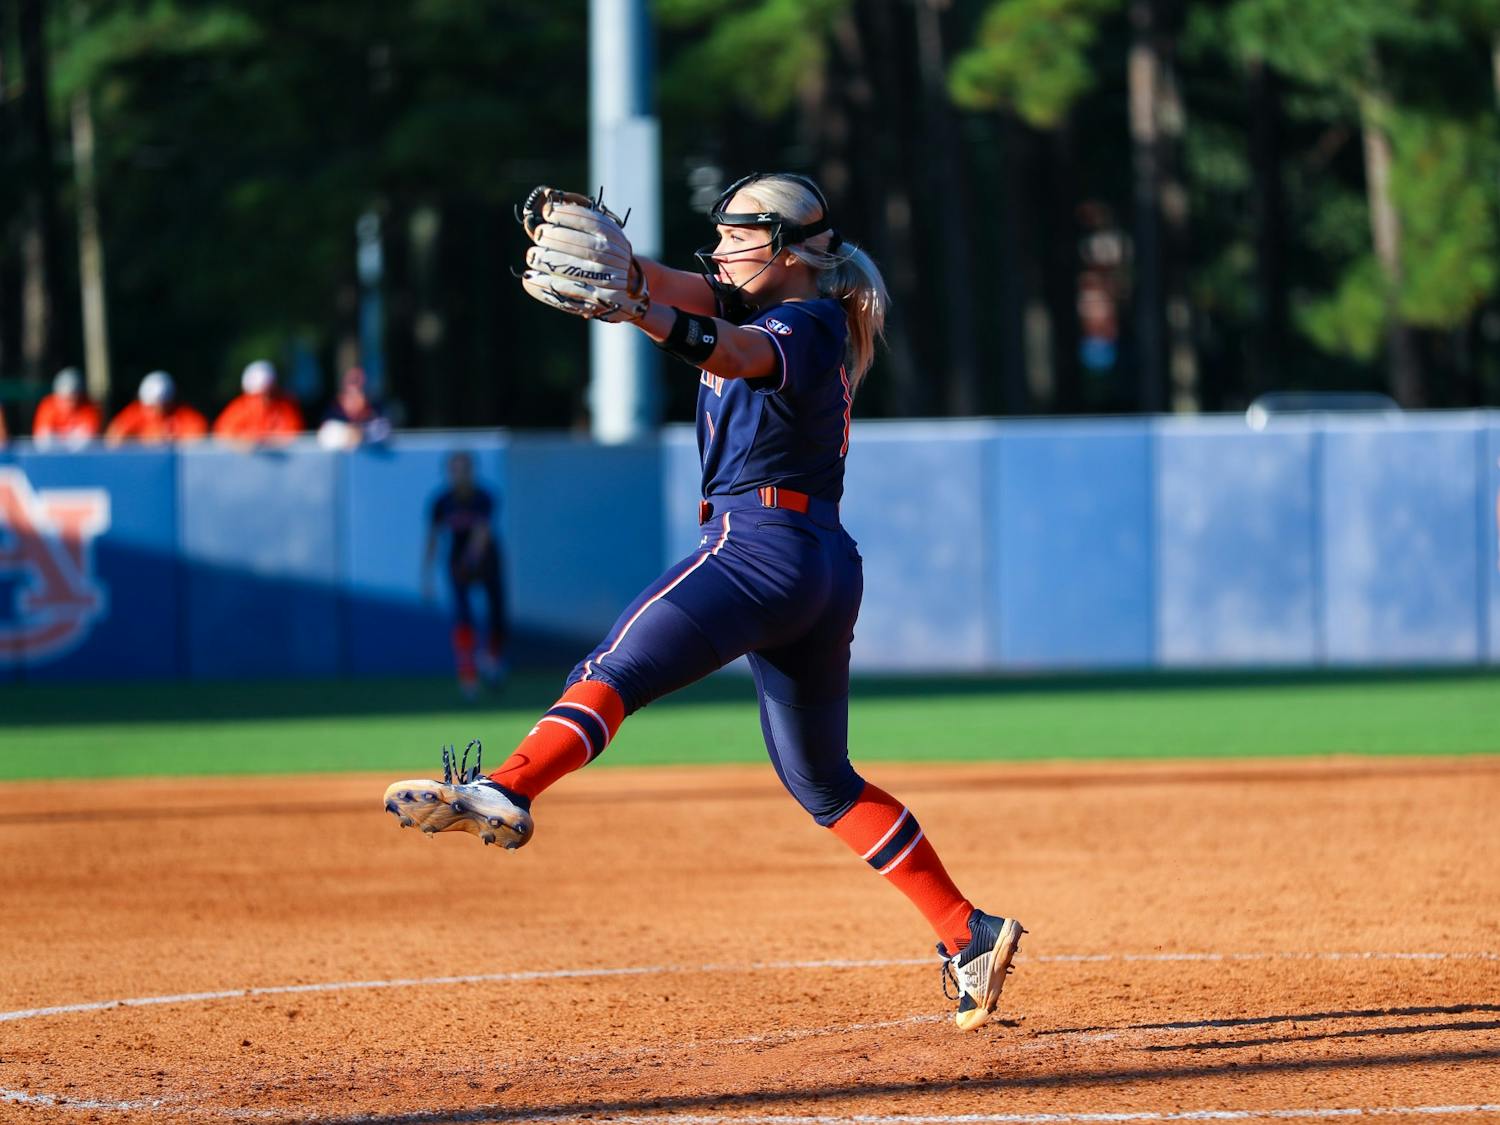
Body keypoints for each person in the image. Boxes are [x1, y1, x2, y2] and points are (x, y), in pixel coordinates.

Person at [384, 174, 1024, 1031]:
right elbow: (656, 283)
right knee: (823, 783)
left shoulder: (806, 319)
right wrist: (626, 282)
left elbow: (729, 352)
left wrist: (642, 313)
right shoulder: (763, 297)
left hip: (758, 546)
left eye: (737, 236)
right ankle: (967, 931)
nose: (719, 250)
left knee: (614, 668)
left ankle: (509, 785)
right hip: (818, 562)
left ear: (791, 252)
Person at [422, 451, 508, 698]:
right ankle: (468, 675)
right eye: (454, 469)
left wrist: (469, 562)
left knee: (497, 616)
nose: (459, 475)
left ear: (472, 471)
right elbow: (432, 538)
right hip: (457, 560)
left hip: (487, 559)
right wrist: (427, 578)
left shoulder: (484, 497)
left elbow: (482, 533)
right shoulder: (441, 501)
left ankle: (492, 660)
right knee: (463, 618)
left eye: (464, 469)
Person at [212, 360, 304, 444]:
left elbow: (293, 432)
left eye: (269, 392)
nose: (264, 398)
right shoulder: (239, 408)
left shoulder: (285, 407)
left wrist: (267, 441)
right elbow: (223, 432)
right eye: (258, 395)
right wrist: (243, 440)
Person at [104, 371, 208, 445]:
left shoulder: (184, 416)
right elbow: (114, 437)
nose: (152, 410)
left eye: (157, 405)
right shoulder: (137, 412)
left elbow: (198, 439)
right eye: (149, 405)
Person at [317, 366, 392, 449]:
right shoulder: (332, 416)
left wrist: (360, 434)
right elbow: (325, 437)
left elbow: (383, 433)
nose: (354, 401)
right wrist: (346, 434)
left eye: (358, 396)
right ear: (342, 398)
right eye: (350, 397)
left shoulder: (376, 413)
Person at [32, 368, 102, 447]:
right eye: (64, 397)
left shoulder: (90, 408)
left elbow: (84, 444)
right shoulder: (48, 405)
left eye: (72, 396)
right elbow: (43, 441)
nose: (68, 401)